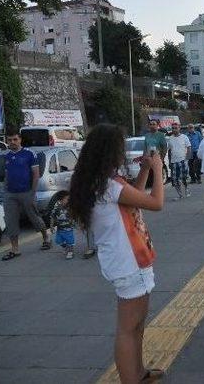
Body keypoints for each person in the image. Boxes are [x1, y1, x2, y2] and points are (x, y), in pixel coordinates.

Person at [68, 124, 165, 383]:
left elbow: (134, 197)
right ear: (109, 151)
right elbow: (156, 203)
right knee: (127, 329)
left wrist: (144, 169)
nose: (123, 153)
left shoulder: (103, 183)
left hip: (131, 258)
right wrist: (157, 169)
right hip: (128, 260)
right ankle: (130, 378)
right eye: (120, 148)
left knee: (137, 324)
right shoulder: (108, 186)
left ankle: (139, 372)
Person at [1, 128, 50, 261]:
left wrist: (32, 193)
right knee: (11, 221)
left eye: (15, 139)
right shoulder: (7, 156)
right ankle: (15, 249)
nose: (12, 142)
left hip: (26, 192)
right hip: (10, 194)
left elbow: (36, 175)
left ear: (20, 139)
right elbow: (6, 175)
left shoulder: (29, 154)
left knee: (34, 217)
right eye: (10, 140)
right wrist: (5, 190)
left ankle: (46, 238)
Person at [167, 123, 191, 200]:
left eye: (176, 128)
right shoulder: (170, 138)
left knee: (185, 177)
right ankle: (180, 194)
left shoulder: (184, 137)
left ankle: (187, 190)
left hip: (183, 160)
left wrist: (187, 159)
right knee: (175, 179)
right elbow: (170, 151)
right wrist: (170, 162)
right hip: (174, 161)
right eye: (173, 128)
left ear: (179, 128)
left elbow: (189, 148)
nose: (174, 129)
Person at [50, 191, 75, 259]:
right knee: (58, 241)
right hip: (60, 229)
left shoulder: (69, 207)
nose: (68, 200)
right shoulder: (56, 208)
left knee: (70, 241)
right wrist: (51, 226)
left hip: (69, 228)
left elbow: (73, 215)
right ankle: (66, 247)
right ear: (60, 200)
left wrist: (75, 222)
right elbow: (52, 216)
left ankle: (70, 252)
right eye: (67, 199)